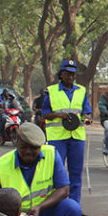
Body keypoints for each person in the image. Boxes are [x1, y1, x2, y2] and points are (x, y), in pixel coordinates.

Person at [41, 60, 93, 206]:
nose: (70, 76)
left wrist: (87, 118)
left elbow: (86, 111)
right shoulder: (51, 91)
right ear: (61, 74)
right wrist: (59, 115)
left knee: (76, 173)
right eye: (67, 73)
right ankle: (55, 204)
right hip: (57, 138)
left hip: (77, 137)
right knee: (56, 172)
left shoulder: (81, 91)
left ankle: (74, 206)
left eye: (73, 73)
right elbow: (45, 114)